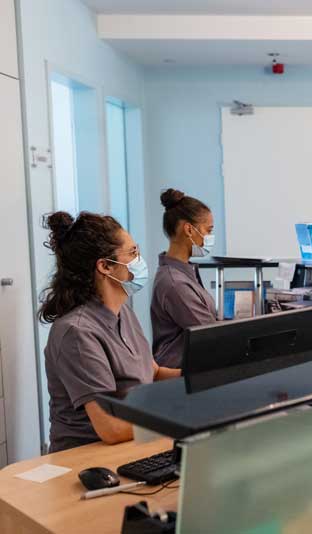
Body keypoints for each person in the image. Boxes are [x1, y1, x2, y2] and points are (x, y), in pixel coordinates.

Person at [40, 211, 180, 453]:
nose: (140, 260)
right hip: (87, 458)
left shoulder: (123, 313)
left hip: (130, 445)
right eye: (133, 253)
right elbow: (111, 428)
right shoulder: (77, 332)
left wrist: (204, 377)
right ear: (105, 266)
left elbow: (153, 372)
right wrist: (181, 415)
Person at [150, 189, 217, 368]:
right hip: (178, 375)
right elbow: (211, 335)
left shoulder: (185, 272)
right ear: (189, 229)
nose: (210, 237)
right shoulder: (175, 283)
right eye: (208, 230)